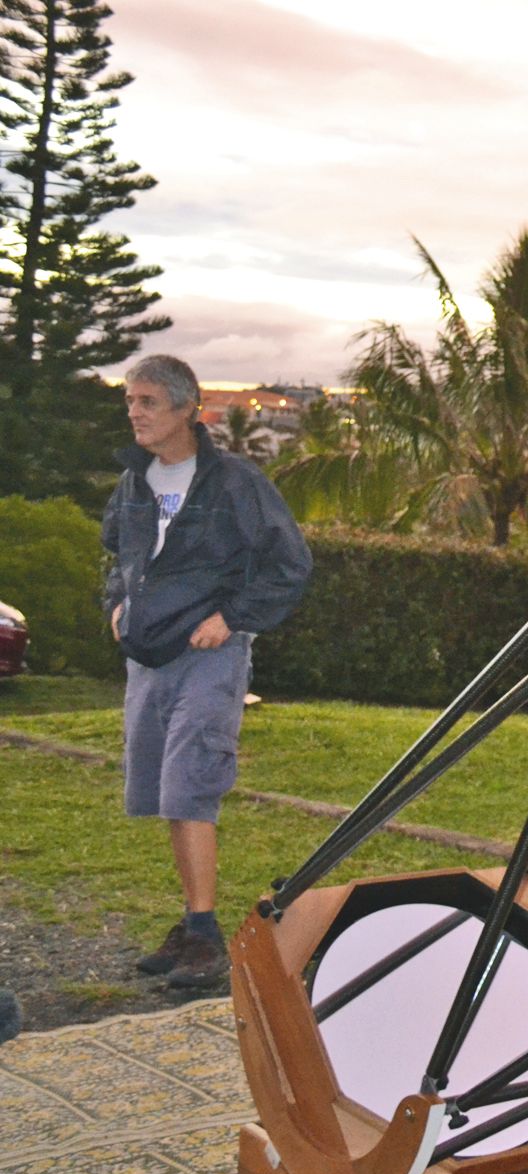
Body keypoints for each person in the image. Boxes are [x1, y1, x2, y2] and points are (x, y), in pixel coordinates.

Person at [103, 355, 312, 990]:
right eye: (131, 401)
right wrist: (115, 602)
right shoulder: (134, 482)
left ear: (186, 409)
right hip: (149, 658)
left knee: (192, 784)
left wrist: (232, 617)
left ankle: (204, 935)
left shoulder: (234, 482)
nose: (135, 412)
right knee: (168, 791)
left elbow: (290, 563)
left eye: (148, 402)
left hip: (209, 660)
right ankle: (194, 927)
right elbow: (116, 552)